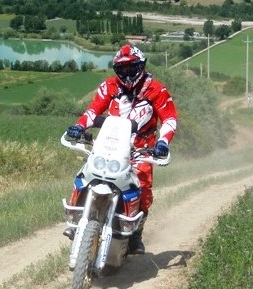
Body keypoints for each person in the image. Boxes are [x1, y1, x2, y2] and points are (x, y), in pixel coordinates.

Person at [64, 44, 178, 254]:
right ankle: (75, 217)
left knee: (142, 190)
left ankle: (135, 235)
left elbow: (169, 119)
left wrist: (162, 142)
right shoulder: (109, 86)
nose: (127, 74)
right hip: (109, 145)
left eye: (131, 68)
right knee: (85, 174)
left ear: (141, 66)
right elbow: (93, 110)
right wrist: (79, 126)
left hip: (141, 149)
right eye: (122, 69)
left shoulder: (156, 89)